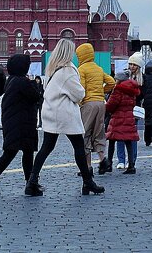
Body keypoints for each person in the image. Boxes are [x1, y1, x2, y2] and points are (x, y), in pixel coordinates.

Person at [25, 39, 104, 197]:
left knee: (46, 147)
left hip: (51, 112)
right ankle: (88, 182)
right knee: (79, 147)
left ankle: (31, 182)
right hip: (64, 114)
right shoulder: (68, 71)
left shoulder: (53, 68)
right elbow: (79, 93)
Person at [0, 54, 43, 194]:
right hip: (22, 123)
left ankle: (30, 184)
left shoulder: (12, 80)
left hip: (15, 122)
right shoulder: (22, 82)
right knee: (15, 153)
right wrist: (35, 83)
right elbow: (36, 96)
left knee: (23, 153)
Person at [76, 43, 115, 174]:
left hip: (88, 104)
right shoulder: (98, 68)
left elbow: (81, 88)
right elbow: (111, 82)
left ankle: (87, 168)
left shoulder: (82, 69)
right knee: (99, 133)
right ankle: (102, 159)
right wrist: (102, 92)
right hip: (100, 103)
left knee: (85, 134)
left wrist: (80, 103)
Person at [106, 59, 142, 174]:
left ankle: (109, 163)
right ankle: (131, 165)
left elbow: (111, 105)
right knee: (128, 141)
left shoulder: (118, 90)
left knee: (112, 141)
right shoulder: (132, 90)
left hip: (118, 118)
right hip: (129, 118)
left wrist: (106, 108)